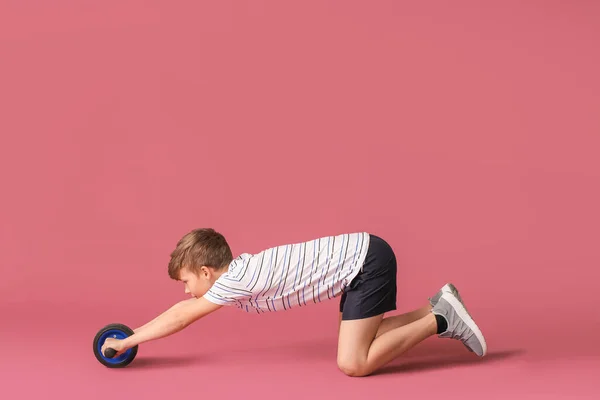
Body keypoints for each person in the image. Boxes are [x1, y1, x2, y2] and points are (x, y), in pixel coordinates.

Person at [102, 228, 487, 376]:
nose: (186, 291)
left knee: (353, 362)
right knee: (362, 339)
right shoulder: (237, 274)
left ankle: (441, 319)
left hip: (366, 262)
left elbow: (181, 316)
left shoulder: (233, 280)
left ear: (206, 271)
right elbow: (182, 308)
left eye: (186, 282)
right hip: (362, 258)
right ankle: (436, 305)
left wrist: (128, 340)